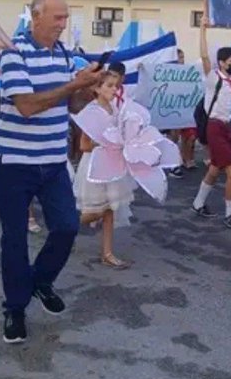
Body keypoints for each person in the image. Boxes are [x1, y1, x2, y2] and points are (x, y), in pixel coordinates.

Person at [0, 0, 102, 345]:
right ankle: (15, 309)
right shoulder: (13, 53)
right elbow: (25, 105)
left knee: (67, 227)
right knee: (15, 239)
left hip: (53, 161)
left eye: (66, 18)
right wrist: (73, 84)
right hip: (14, 164)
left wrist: (89, 86)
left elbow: (74, 104)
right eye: (57, 18)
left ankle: (40, 280)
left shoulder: (65, 55)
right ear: (36, 17)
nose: (63, 24)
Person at [72, 69, 176, 269]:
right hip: (96, 165)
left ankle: (108, 253)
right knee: (94, 211)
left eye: (116, 85)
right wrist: (107, 145)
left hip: (113, 164)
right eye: (109, 86)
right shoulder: (91, 112)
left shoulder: (114, 108)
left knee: (111, 208)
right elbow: (84, 146)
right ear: (96, 88)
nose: (114, 89)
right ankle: (67, 226)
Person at [193, 20, 231, 228]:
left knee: (215, 169)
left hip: (228, 126)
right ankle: (230, 213)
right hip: (215, 126)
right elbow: (203, 56)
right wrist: (202, 30)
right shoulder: (213, 77)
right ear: (221, 62)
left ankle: (198, 202)